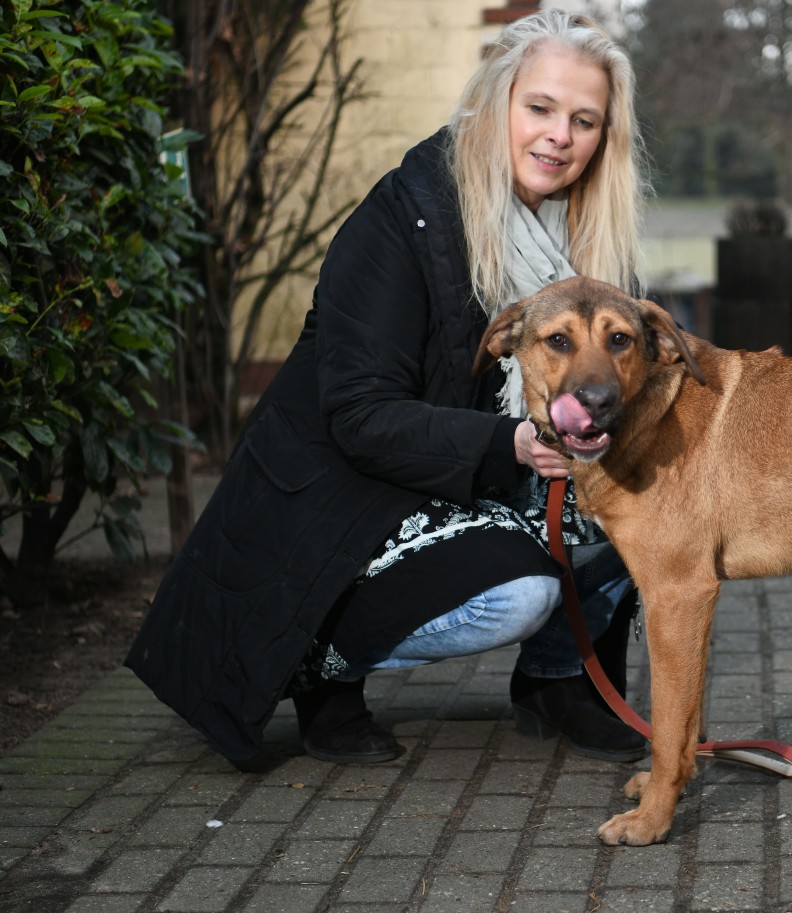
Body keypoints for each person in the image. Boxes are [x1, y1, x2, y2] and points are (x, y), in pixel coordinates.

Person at [126, 10, 649, 769]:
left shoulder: (586, 238)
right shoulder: (405, 216)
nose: (559, 135)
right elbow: (360, 415)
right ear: (496, 102)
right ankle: (315, 664)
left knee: (643, 504)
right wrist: (510, 443)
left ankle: (558, 682)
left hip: (478, 479)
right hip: (347, 501)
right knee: (517, 594)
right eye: (539, 107)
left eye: (584, 120)